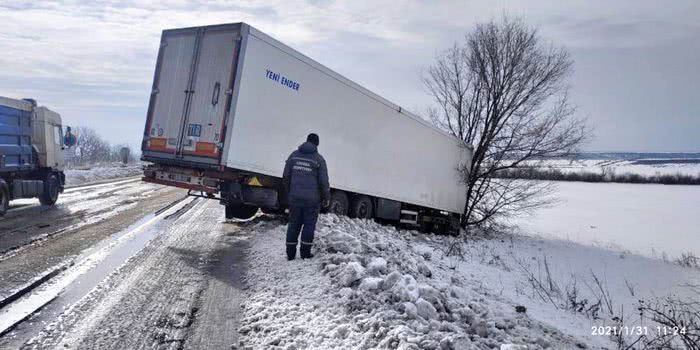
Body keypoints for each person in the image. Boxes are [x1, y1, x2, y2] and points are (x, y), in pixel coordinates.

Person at [283, 133, 330, 260]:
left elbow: (286, 176)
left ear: (306, 141)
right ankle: (305, 253)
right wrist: (326, 198)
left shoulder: (293, 156)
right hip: (312, 201)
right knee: (309, 225)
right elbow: (323, 182)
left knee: (293, 224)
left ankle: (290, 254)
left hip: (295, 198)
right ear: (317, 144)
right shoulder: (319, 160)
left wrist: (290, 192)